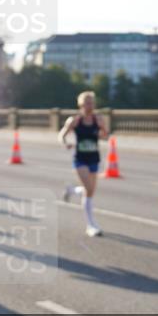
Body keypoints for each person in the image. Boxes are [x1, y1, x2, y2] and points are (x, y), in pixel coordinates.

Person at [59, 91, 108, 237]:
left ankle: (72, 191)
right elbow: (61, 135)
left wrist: (102, 132)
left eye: (92, 102)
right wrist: (65, 143)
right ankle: (91, 225)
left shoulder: (98, 119)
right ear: (81, 104)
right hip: (80, 159)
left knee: (91, 191)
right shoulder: (75, 121)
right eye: (87, 103)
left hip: (94, 158)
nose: (90, 105)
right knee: (88, 190)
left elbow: (106, 136)